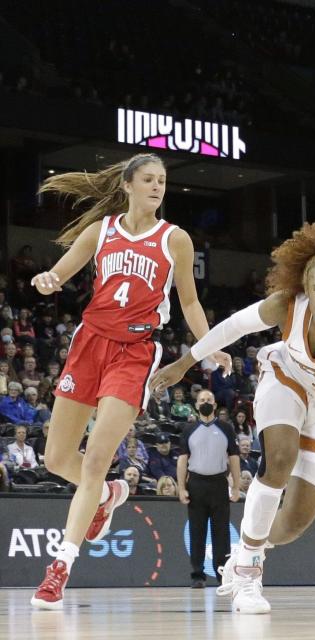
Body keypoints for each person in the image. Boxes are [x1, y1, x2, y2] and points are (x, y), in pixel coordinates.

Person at [149, 222, 315, 614]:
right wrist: (185, 362)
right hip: (286, 380)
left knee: (290, 528)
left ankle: (245, 550)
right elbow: (233, 327)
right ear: (306, 286)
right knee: (280, 460)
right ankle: (249, 574)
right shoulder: (287, 305)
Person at [30, 153, 229, 609]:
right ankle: (107, 494)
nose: (158, 187)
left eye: (162, 181)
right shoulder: (101, 231)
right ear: (128, 184)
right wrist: (47, 280)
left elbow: (191, 303)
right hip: (89, 344)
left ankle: (59, 567)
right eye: (149, 179)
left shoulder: (174, 239)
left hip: (135, 352)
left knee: (97, 455)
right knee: (58, 458)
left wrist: (210, 344)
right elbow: (59, 274)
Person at [177, 389, 241, 588]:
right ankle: (197, 575)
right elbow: (182, 460)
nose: (205, 402)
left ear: (215, 405)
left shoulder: (226, 428)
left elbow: (234, 458)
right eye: (202, 400)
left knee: (221, 533)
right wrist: (181, 488)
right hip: (196, 484)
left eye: (209, 400)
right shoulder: (188, 429)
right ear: (196, 405)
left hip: (218, 483)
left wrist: (237, 486)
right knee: (197, 531)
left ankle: (222, 574)